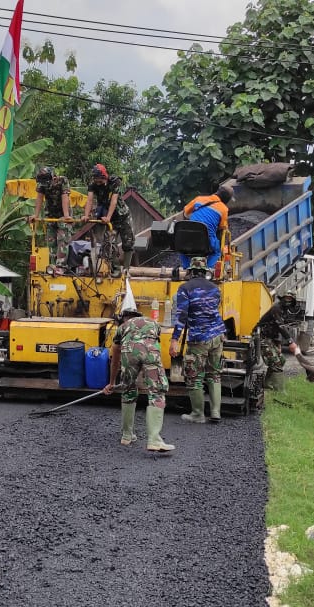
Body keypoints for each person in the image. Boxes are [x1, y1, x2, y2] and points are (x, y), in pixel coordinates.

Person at [102, 289, 175, 453]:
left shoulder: (122, 328)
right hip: (150, 349)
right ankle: (154, 440)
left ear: (123, 318)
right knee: (157, 391)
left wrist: (112, 382)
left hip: (128, 351)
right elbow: (152, 345)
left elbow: (115, 358)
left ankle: (127, 436)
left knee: (128, 390)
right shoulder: (153, 322)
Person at [171, 257, 226, 424]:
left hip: (199, 339)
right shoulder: (215, 289)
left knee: (194, 376)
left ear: (190, 272)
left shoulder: (185, 288)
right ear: (204, 272)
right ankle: (215, 412)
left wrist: (175, 339)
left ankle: (197, 414)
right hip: (217, 335)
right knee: (214, 374)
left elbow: (182, 315)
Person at [84, 163, 134, 276]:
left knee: (128, 242)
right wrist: (86, 215)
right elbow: (90, 200)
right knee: (109, 243)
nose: (97, 181)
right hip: (111, 220)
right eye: (95, 179)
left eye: (99, 179)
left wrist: (108, 217)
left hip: (123, 216)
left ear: (104, 176)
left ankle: (126, 269)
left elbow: (114, 201)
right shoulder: (93, 185)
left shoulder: (115, 182)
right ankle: (116, 269)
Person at [177, 186, 232, 270]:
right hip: (206, 241)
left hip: (188, 238)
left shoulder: (199, 199)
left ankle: (187, 268)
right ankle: (208, 270)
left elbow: (186, 211)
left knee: (181, 248)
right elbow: (222, 227)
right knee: (217, 252)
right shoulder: (224, 209)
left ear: (217, 192)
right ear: (226, 200)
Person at [32, 166, 74, 272]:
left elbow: (65, 197)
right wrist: (35, 215)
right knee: (51, 240)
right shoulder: (41, 184)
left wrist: (66, 215)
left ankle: (61, 266)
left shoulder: (62, 180)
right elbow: (39, 198)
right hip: (51, 214)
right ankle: (52, 266)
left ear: (52, 177)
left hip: (63, 214)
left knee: (62, 239)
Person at [257, 291, 299, 391]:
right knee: (276, 363)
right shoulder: (276, 308)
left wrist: (278, 345)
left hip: (270, 338)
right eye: (286, 298)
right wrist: (291, 342)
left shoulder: (284, 311)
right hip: (261, 337)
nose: (287, 300)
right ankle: (279, 390)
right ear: (282, 298)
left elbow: (278, 328)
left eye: (290, 299)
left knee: (281, 360)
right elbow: (281, 326)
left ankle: (267, 384)